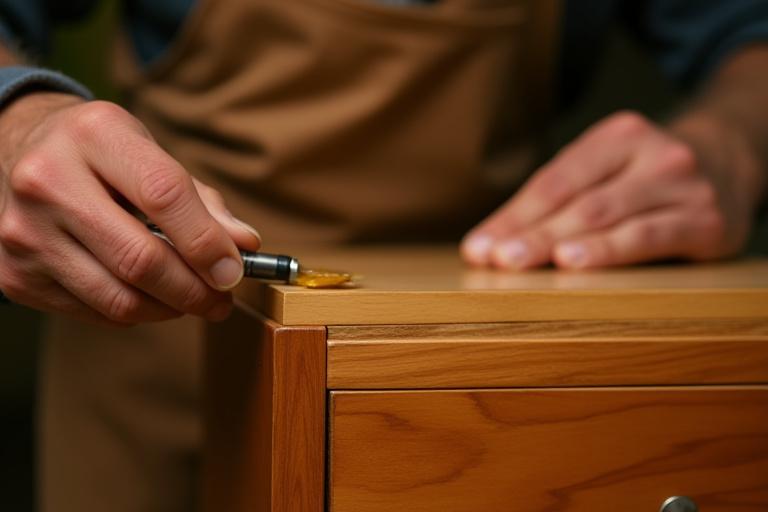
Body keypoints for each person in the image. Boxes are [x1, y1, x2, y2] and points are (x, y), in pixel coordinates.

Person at [0, 0, 766, 510]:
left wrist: (732, 139)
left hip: (488, 379)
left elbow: (746, 33)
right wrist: (16, 122)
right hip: (153, 353)